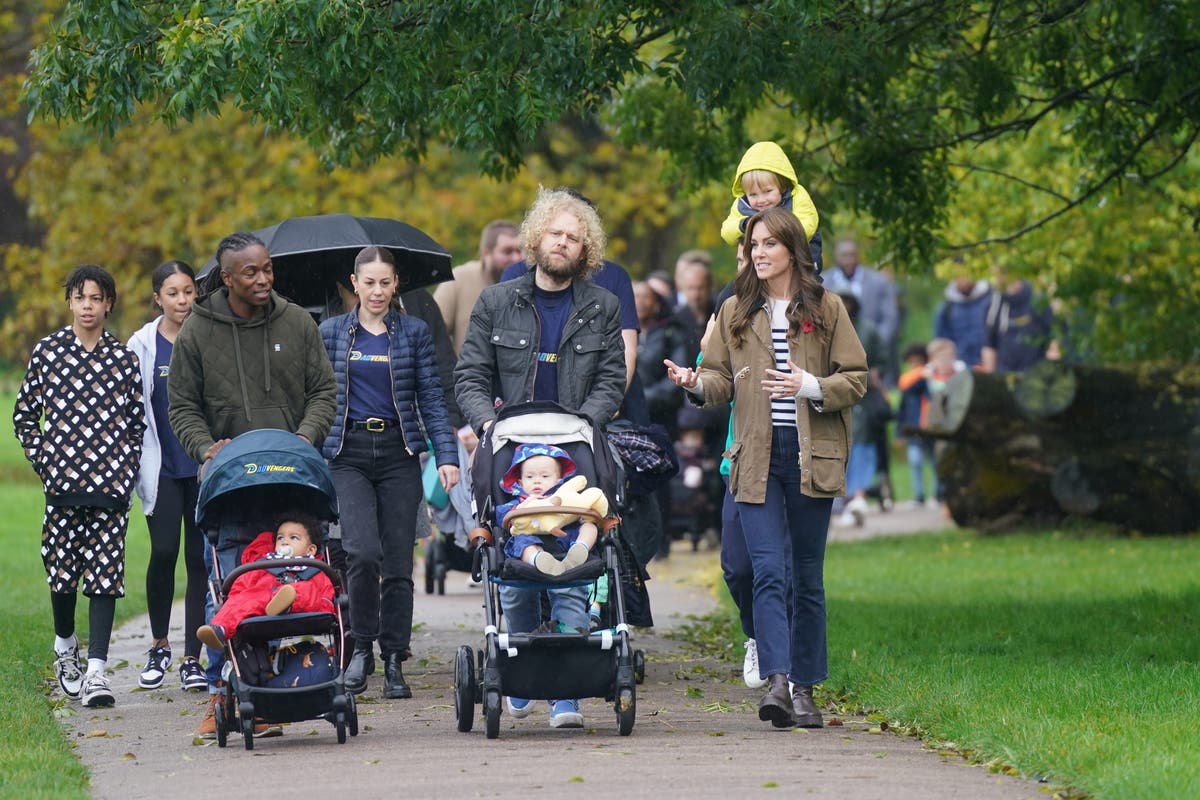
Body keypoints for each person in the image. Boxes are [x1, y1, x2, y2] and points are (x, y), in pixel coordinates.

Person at [666, 208, 867, 729]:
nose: (758, 253)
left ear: (792, 250)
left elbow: (856, 378)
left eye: (769, 244)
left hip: (810, 455)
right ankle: (777, 683)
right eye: (753, 245)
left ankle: (805, 689)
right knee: (768, 571)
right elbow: (719, 379)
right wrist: (694, 383)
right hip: (754, 457)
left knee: (806, 577)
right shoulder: (735, 309)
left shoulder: (827, 308)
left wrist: (810, 386)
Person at [456, 186, 626, 729]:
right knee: (517, 565)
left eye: (574, 237)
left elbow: (611, 380)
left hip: (573, 456)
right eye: (555, 233)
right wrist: (488, 424)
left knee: (573, 568)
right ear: (535, 239)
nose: (563, 243)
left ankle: (566, 691)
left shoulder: (602, 307)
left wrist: (584, 426)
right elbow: (470, 375)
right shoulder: (496, 302)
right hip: (513, 455)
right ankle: (520, 663)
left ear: (585, 249)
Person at [168, 231, 336, 738]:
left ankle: (279, 692)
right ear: (226, 277)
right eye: (251, 272)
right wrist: (206, 449)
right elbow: (183, 407)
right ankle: (223, 693)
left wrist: (303, 441)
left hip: (290, 483)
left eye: (268, 269)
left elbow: (323, 392)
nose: (263, 279)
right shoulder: (197, 331)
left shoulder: (297, 322)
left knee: (292, 587)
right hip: (231, 488)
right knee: (230, 589)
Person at [320, 246, 459, 700]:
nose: (377, 291)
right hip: (348, 453)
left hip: (400, 452)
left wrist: (447, 455)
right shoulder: (331, 333)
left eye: (385, 282)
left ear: (396, 283)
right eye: (369, 283)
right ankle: (361, 649)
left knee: (398, 563)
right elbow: (316, 396)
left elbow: (432, 397)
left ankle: (395, 657)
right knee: (360, 553)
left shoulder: (413, 332)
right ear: (354, 284)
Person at [13, 264, 146, 708]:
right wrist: (47, 462)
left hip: (110, 489)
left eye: (95, 298)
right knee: (62, 574)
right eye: (79, 297)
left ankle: (96, 672)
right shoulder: (48, 352)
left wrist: (124, 471)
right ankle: (65, 645)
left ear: (108, 304)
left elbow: (136, 424)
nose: (87, 306)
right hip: (62, 486)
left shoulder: (123, 359)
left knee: (106, 577)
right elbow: (25, 416)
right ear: (69, 301)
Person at [127, 260, 207, 692]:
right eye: (173, 293)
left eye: (189, 291)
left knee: (198, 559)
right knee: (163, 552)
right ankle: (159, 646)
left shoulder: (208, 337)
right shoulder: (141, 344)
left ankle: (193, 657)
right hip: (161, 468)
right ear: (157, 298)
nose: (182, 300)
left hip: (202, 467)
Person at [196, 514, 335, 648]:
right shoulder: (264, 564)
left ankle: (288, 601)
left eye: (293, 537)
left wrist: (327, 605)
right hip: (265, 600)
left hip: (303, 602)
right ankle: (220, 629)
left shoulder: (315, 569)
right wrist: (235, 597)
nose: (285, 541)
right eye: (280, 538)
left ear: (310, 550)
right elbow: (242, 584)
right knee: (244, 600)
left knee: (308, 590)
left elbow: (326, 598)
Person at [496, 444, 602, 575]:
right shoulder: (519, 502)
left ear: (558, 481)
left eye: (545, 476)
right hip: (531, 538)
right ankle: (537, 559)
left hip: (565, 535)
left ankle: (580, 547)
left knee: (589, 526)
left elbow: (582, 511)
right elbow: (503, 519)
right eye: (530, 477)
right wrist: (521, 508)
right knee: (521, 542)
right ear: (520, 483)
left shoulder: (564, 497)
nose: (537, 481)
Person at [719, 141, 823, 270]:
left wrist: (776, 228)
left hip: (802, 261)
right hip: (760, 264)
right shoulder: (743, 204)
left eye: (767, 191)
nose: (761, 200)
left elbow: (807, 226)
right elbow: (727, 233)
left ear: (782, 186)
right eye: (753, 195)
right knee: (739, 279)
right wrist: (745, 224)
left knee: (806, 280)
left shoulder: (796, 196)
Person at [835, 293, 888, 528]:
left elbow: (883, 358)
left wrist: (876, 373)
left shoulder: (868, 329)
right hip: (835, 395)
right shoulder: (825, 328)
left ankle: (858, 496)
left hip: (863, 397)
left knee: (863, 445)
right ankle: (847, 499)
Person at [433, 220, 523, 354]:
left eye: (519, 251)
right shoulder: (459, 278)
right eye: (507, 252)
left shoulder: (531, 284)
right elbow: (434, 331)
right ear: (486, 253)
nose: (516, 258)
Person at [824, 237, 900, 378]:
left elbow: (890, 318)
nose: (849, 260)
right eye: (844, 255)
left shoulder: (879, 283)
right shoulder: (823, 283)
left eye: (852, 255)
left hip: (870, 357)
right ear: (836, 257)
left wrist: (875, 344)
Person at [981, 275, 1060, 373]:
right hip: (1005, 375)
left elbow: (1054, 339)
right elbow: (990, 346)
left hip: (1035, 374)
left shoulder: (1038, 300)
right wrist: (991, 378)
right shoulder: (994, 306)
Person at [895, 342, 938, 509]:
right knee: (915, 461)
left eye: (917, 360)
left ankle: (938, 494)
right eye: (911, 361)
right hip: (912, 428)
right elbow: (902, 408)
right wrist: (899, 432)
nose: (914, 364)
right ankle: (919, 496)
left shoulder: (928, 378)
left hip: (927, 426)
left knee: (933, 461)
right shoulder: (909, 380)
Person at [934, 273, 992, 369]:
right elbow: (941, 341)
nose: (963, 280)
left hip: (989, 364)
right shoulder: (946, 308)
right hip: (960, 367)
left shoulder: (992, 300)